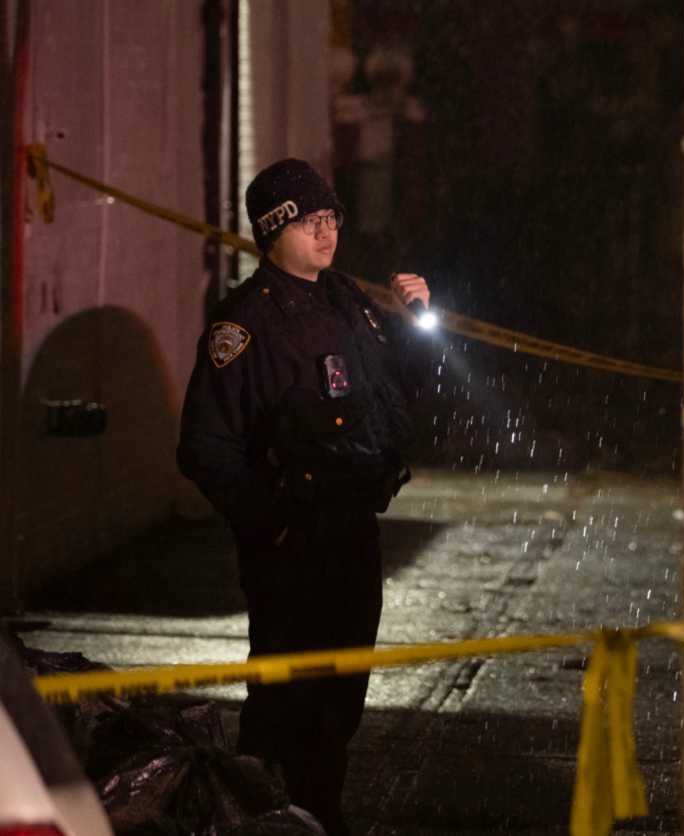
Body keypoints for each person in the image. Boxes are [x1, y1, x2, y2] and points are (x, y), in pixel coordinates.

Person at [177, 158, 430, 835]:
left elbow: (398, 390)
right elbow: (204, 445)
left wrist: (416, 322)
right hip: (292, 541)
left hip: (352, 529)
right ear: (273, 228)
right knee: (284, 697)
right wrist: (269, 524)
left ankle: (319, 813)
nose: (328, 231)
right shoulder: (246, 324)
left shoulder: (346, 301)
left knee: (342, 691)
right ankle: (255, 815)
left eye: (333, 219)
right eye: (312, 220)